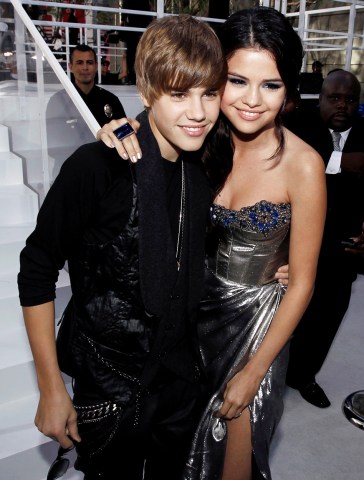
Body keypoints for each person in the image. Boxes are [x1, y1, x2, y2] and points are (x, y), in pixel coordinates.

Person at [99, 7, 326, 479]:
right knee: (172, 454)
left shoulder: (302, 165)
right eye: (238, 81)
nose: (252, 100)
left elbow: (302, 282)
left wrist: (253, 373)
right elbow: (155, 121)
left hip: (254, 333)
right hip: (186, 319)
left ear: (290, 91)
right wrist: (118, 130)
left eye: (272, 85)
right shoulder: (197, 140)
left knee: (231, 462)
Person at [18, 15, 228, 480]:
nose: (198, 112)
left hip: (181, 379)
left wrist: (277, 263)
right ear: (148, 90)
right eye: (178, 94)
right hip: (110, 386)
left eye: (209, 93)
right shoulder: (98, 167)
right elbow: (36, 267)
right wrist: (51, 387)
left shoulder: (208, 160)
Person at [284, 69, 364, 408]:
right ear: (321, 99)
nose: (342, 105)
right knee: (282, 312)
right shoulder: (297, 125)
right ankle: (265, 371)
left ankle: (303, 376)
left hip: (344, 246)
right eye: (335, 98)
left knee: (326, 317)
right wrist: (339, 160)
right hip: (289, 241)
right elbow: (284, 163)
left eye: (350, 99)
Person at [46, 44, 126, 179]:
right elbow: (52, 148)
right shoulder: (58, 101)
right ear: (70, 67)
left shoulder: (111, 100)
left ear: (96, 66)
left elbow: (124, 135)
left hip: (105, 173)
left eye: (89, 62)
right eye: (79, 63)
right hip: (70, 173)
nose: (85, 67)